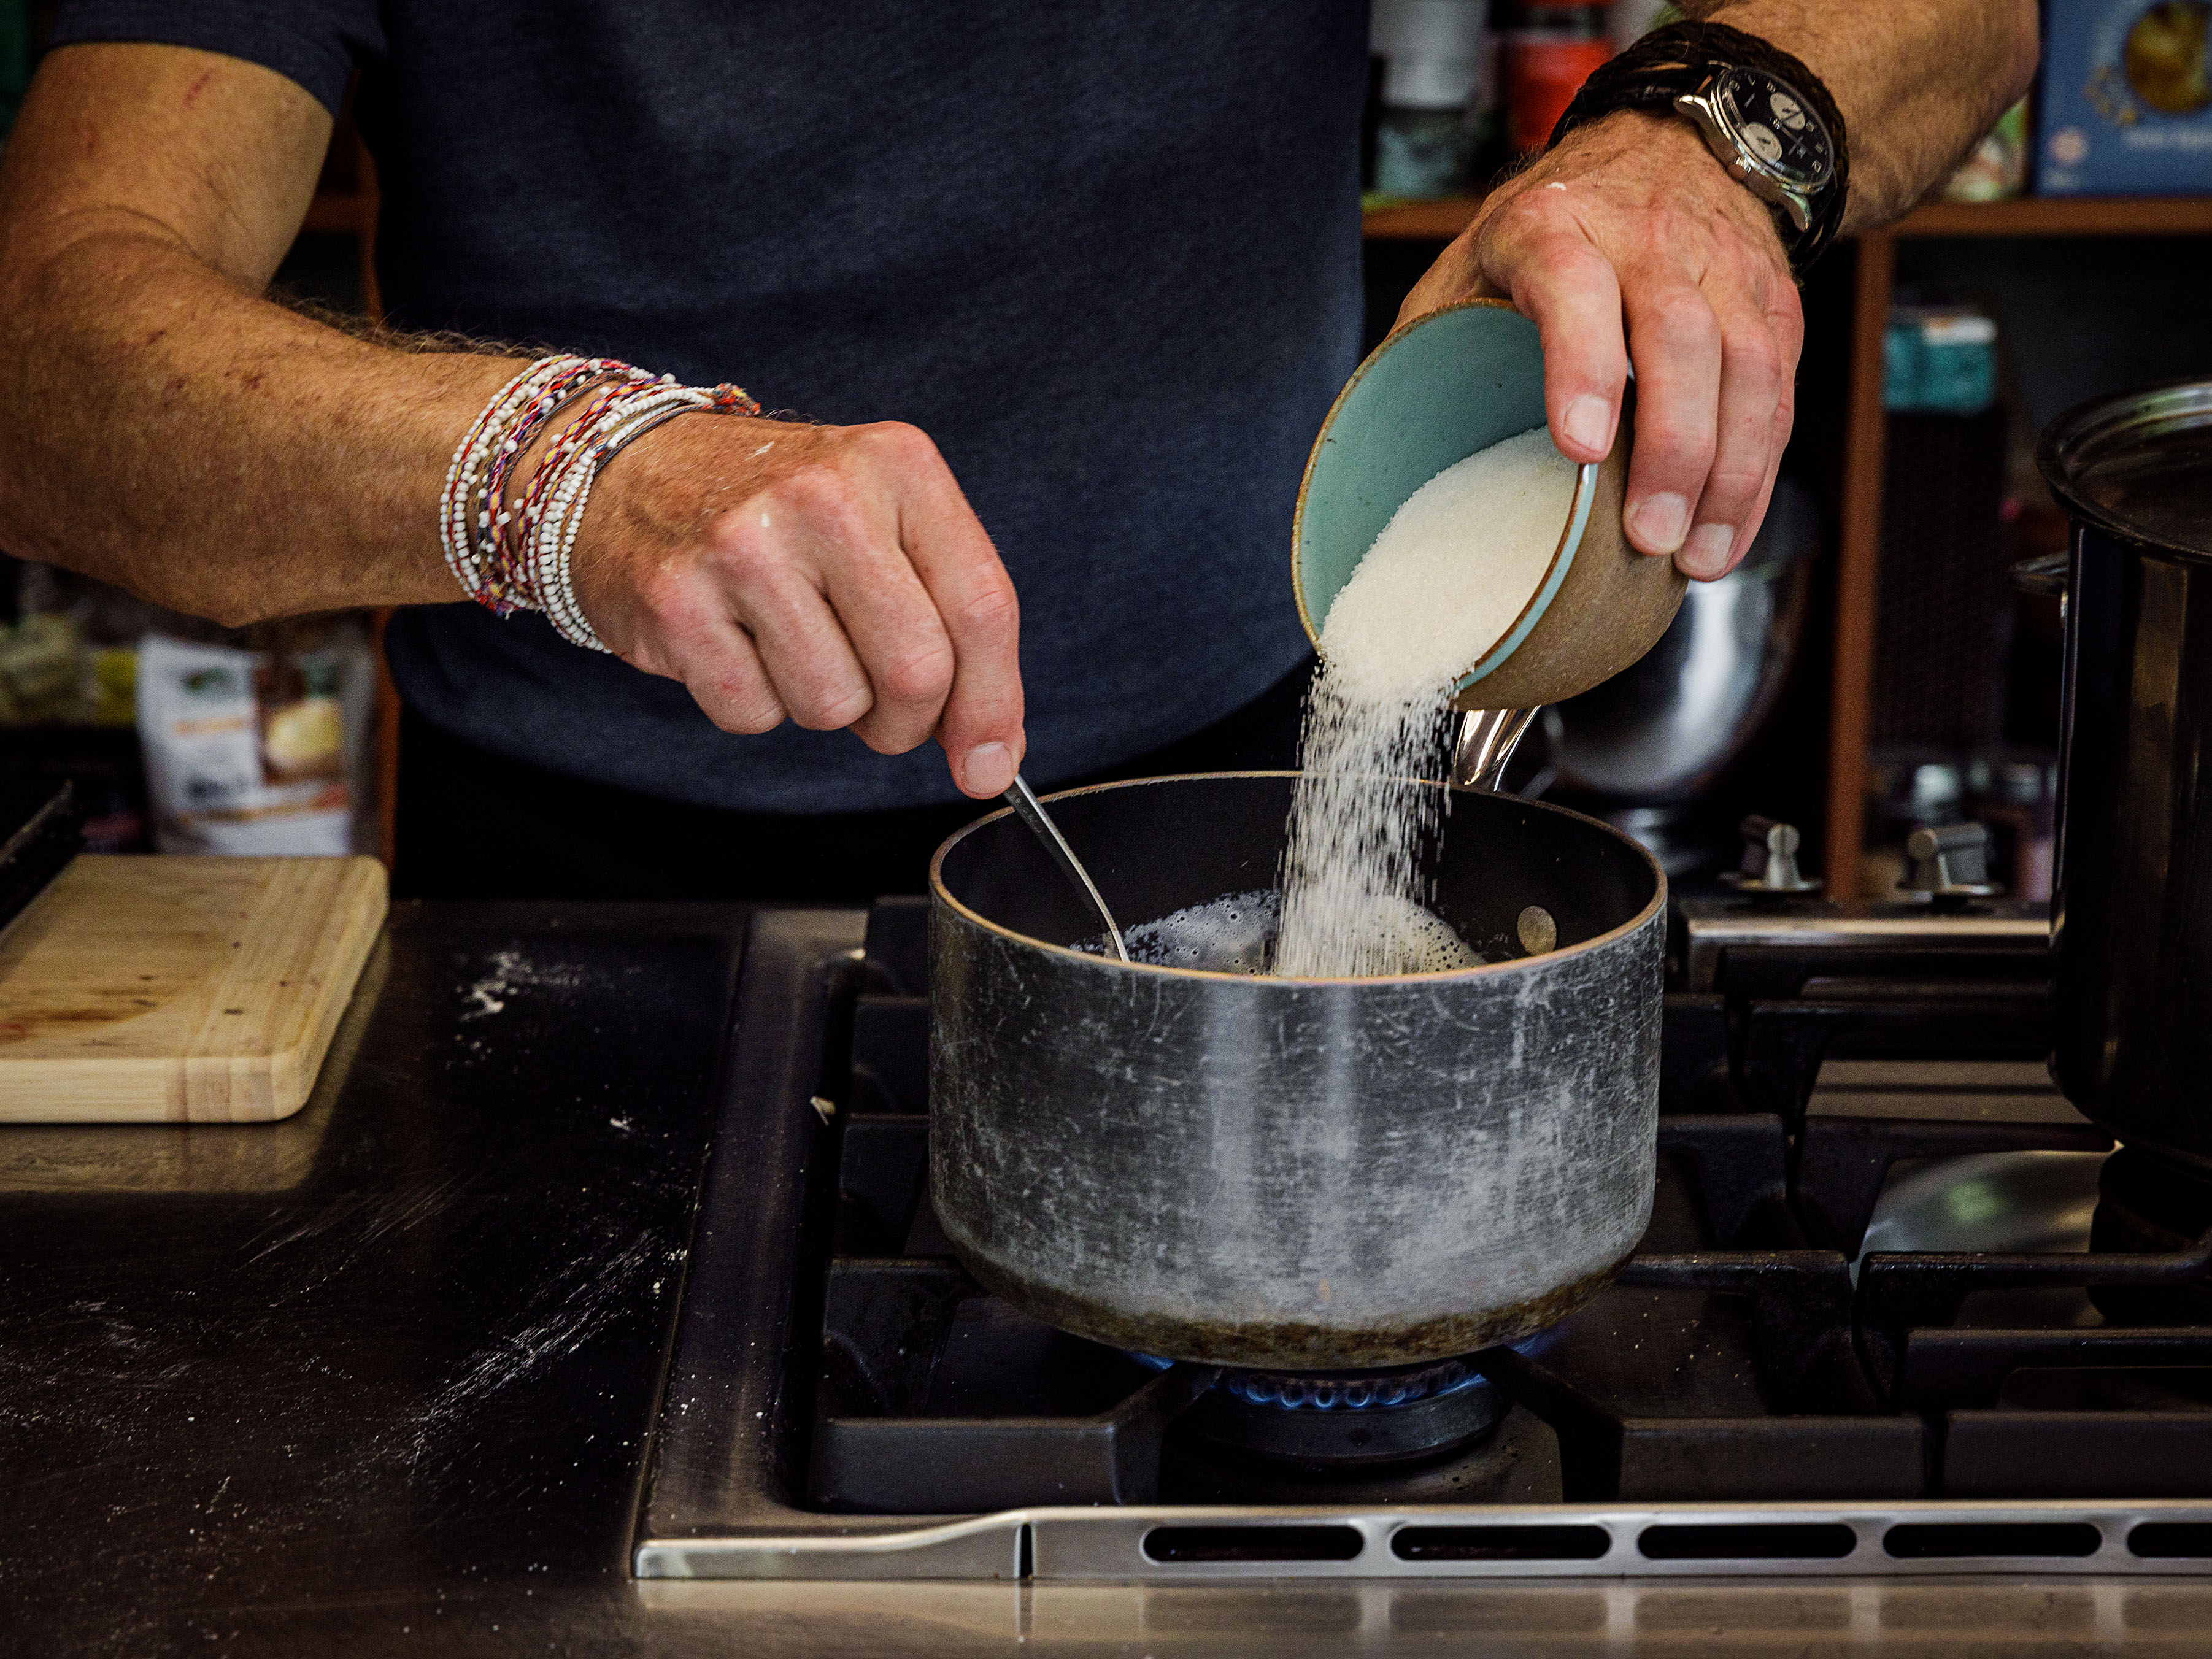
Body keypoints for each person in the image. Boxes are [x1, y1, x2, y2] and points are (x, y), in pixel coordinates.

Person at [0, 3, 2036, 900]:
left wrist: (1701, 138)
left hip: (1249, 789)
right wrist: (564, 474)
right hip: (577, 888)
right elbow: (47, 352)